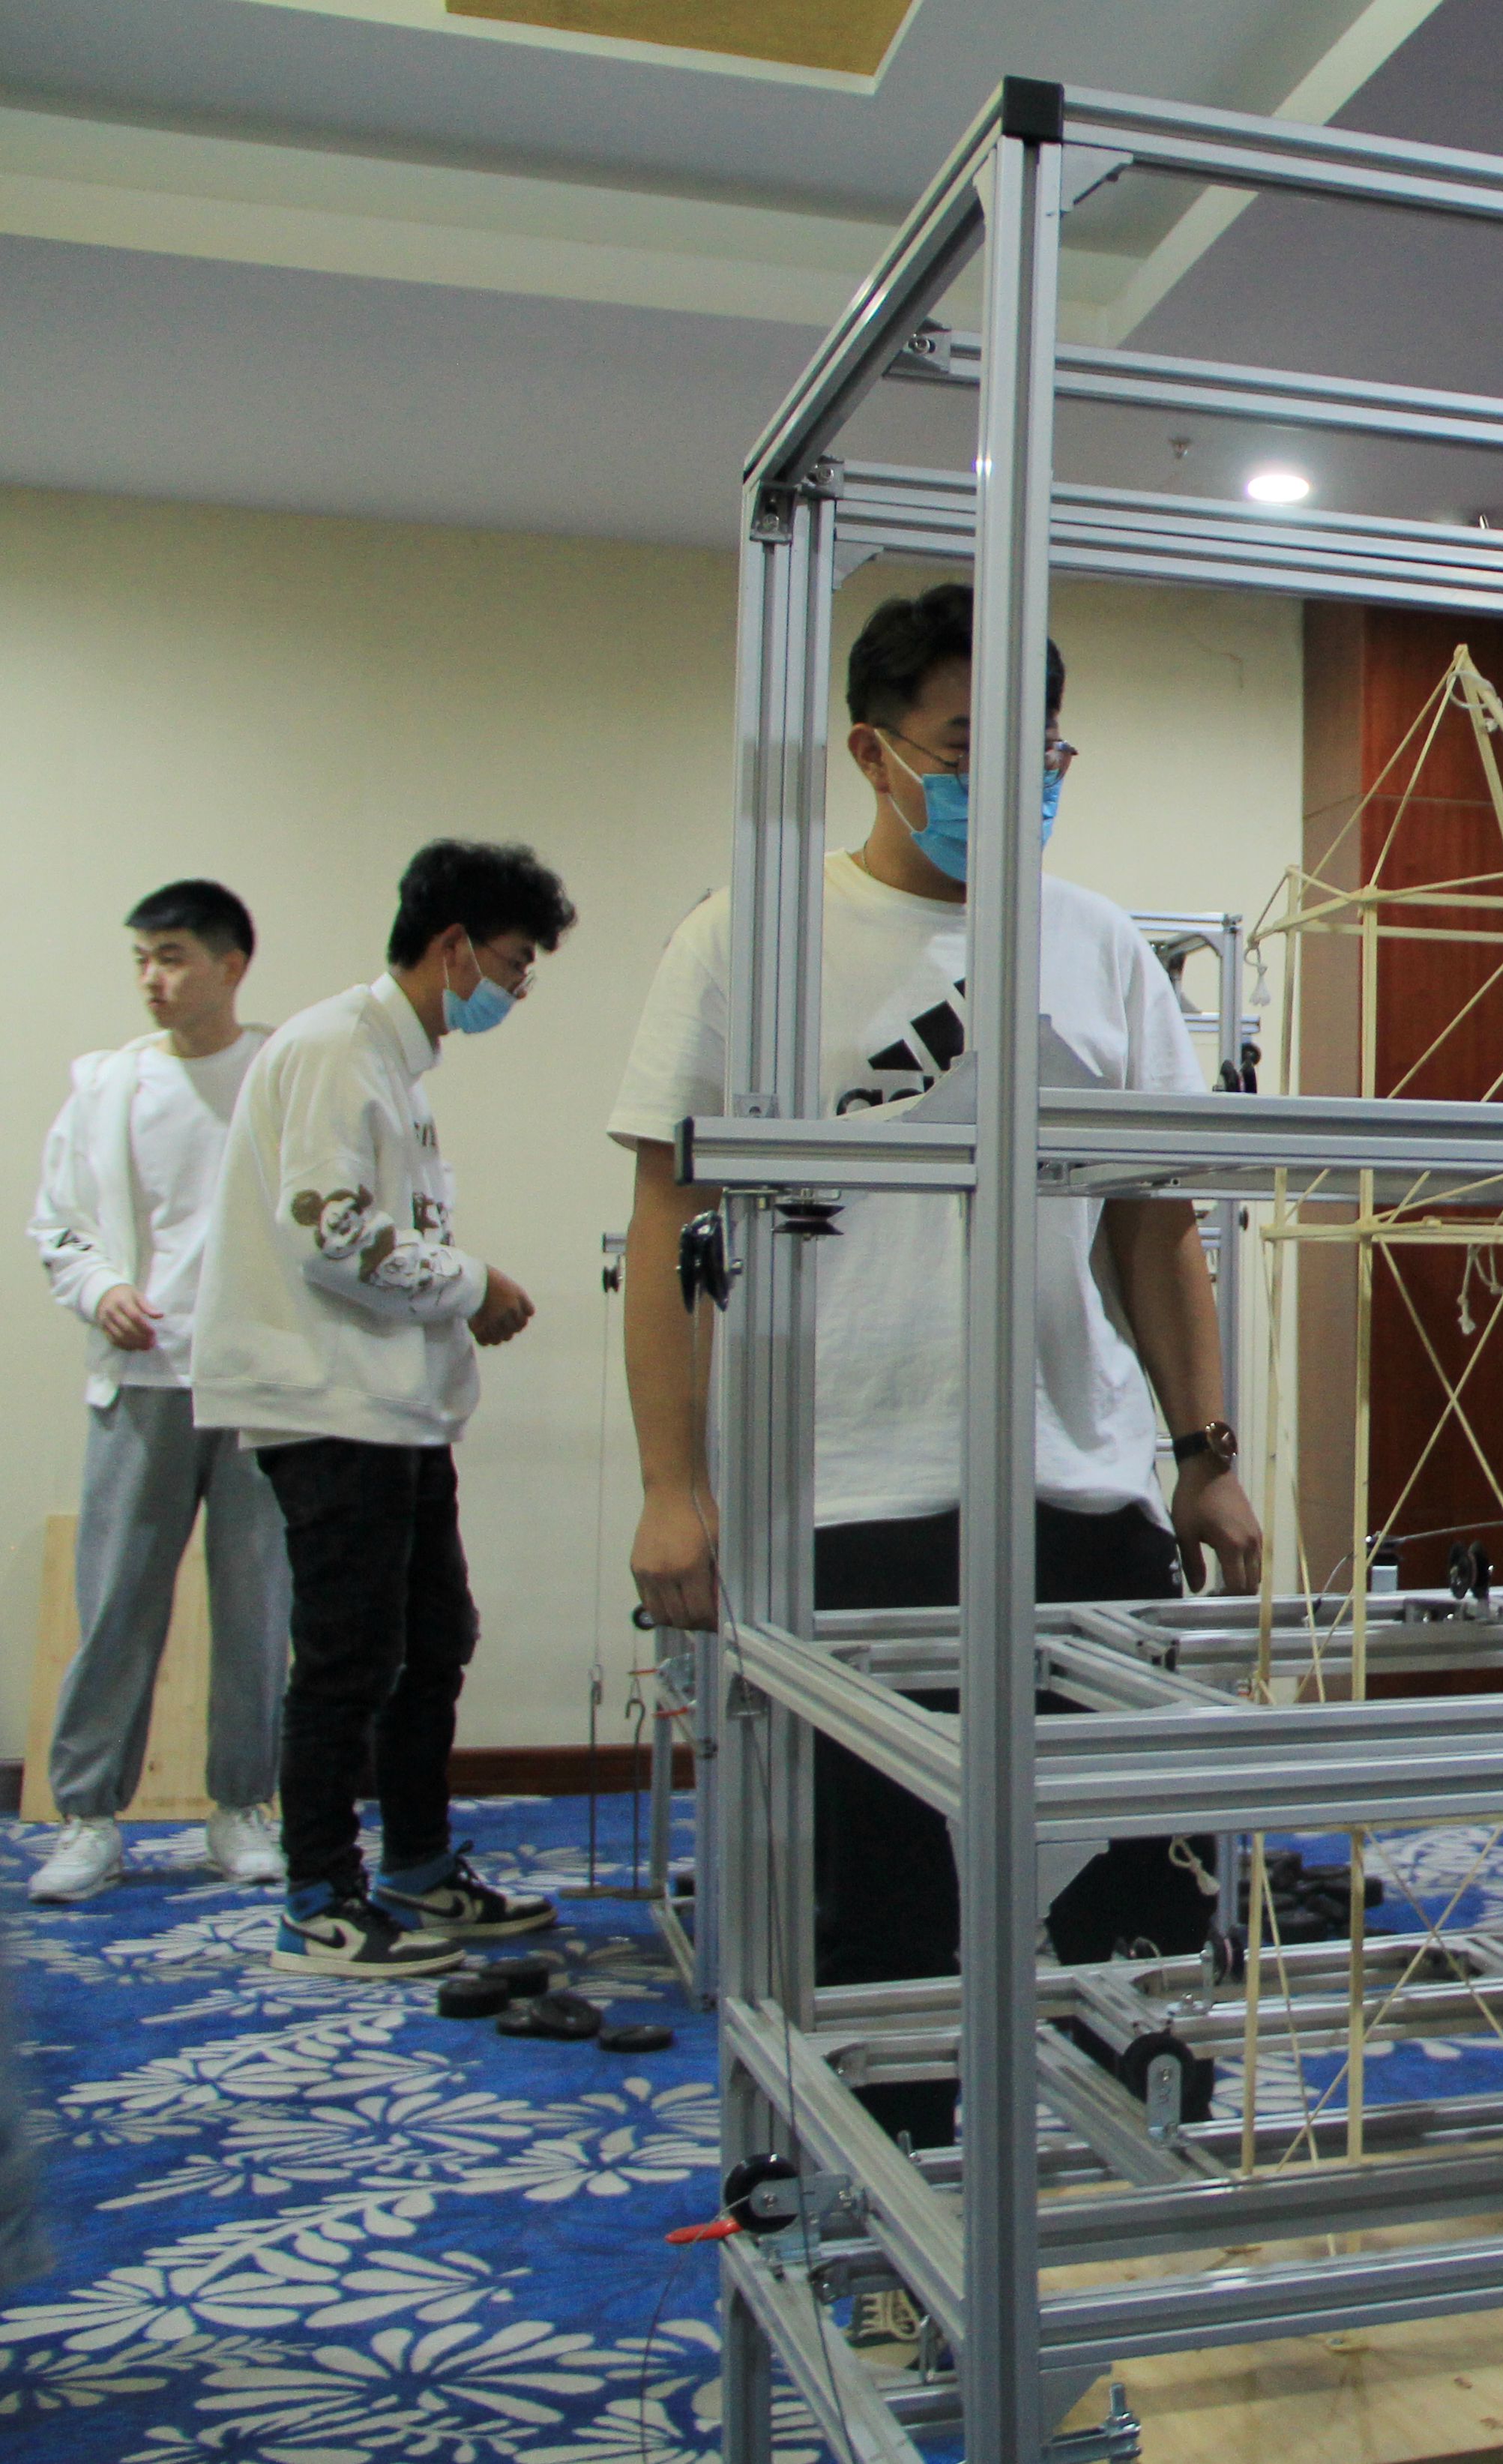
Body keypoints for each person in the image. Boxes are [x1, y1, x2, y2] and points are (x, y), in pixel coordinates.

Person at [612, 581, 1263, 2151]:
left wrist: (1205, 1452)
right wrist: (672, 1487)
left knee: (1136, 1878)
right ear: (874, 753)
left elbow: (1153, 1231)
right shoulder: (750, 939)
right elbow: (665, 1225)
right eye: (969, 750)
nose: (1014, 783)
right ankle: (888, 2205)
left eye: (1041, 752)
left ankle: (1131, 2184)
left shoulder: (1099, 949)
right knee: (883, 1911)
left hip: (1076, 1483)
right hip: (851, 1495)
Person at [196, 840, 576, 1980]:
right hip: (329, 1406)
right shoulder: (334, 1049)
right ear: (453, 946)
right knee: (349, 1659)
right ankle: (319, 1898)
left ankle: (417, 1865)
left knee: (433, 1641)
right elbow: (330, 1236)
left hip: (393, 1408)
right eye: (513, 962)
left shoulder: (396, 1068)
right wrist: (475, 1284)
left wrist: (455, 1293)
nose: (516, 988)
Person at [22, 882, 290, 1903]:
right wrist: (101, 1289)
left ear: (231, 965)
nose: (151, 978)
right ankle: (89, 1816)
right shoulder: (109, 1085)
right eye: (141, 957)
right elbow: (58, 1226)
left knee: (258, 1606)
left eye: (172, 956)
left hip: (259, 1383)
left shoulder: (282, 1072)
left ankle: (241, 1807)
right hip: (141, 1379)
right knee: (117, 1604)